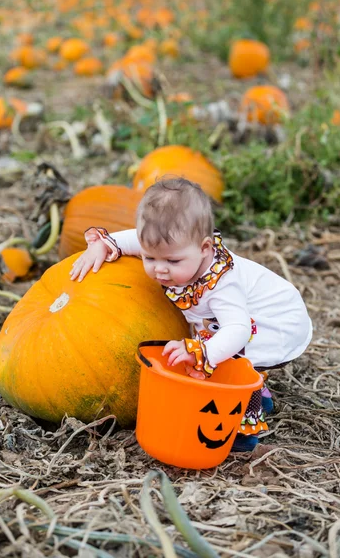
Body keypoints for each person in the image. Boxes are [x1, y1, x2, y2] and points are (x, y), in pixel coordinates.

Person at [70, 177, 312, 452]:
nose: (159, 269)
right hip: (237, 318)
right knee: (220, 348)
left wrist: (199, 351)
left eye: (172, 261)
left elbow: (238, 330)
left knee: (232, 359)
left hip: (272, 319)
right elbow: (135, 241)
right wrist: (105, 244)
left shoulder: (222, 286)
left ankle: (243, 423)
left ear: (205, 248)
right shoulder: (174, 246)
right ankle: (260, 393)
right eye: (150, 258)